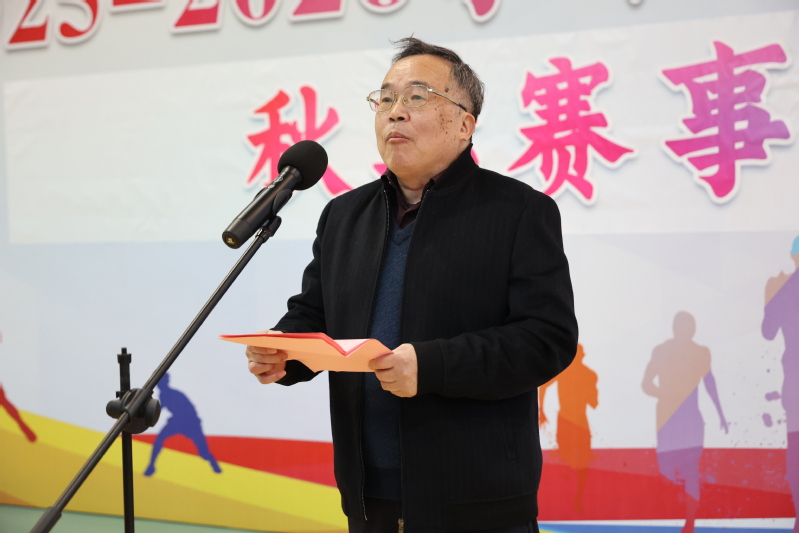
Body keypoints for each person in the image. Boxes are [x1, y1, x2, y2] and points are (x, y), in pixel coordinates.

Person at [245, 37, 578, 533]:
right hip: (368, 498)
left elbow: (546, 339)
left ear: (464, 124)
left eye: (417, 97)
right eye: (385, 99)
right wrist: (285, 351)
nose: (395, 112)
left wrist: (431, 365)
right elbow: (316, 315)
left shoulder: (518, 212)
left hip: (478, 502)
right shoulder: (344, 214)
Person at [642, 312, 729, 533]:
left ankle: (690, 522)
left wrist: (720, 413)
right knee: (667, 471)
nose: (683, 330)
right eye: (680, 325)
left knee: (691, 471)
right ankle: (677, 513)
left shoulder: (700, 352)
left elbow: (710, 382)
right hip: (667, 421)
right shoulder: (662, 350)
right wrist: (665, 394)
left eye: (687, 326)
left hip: (690, 420)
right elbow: (646, 383)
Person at [762, 235, 799, 533]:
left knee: (796, 449)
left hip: (795, 381)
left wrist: (769, 298)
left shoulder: (784, 289)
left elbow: (768, 331)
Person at [538, 344, 597, 514]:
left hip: (576, 422)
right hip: (568, 421)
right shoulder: (573, 372)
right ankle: (569, 498)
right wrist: (541, 410)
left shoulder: (587, 374)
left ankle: (577, 497)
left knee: (579, 462)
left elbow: (593, 402)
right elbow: (594, 402)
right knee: (568, 460)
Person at [144, 373, 221, 477]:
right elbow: (159, 409)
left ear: (166, 382)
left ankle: (212, 462)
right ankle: (151, 466)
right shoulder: (163, 394)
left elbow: (186, 410)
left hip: (190, 423)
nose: (159, 385)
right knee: (159, 440)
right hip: (177, 422)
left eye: (161, 382)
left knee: (204, 453)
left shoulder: (174, 394)